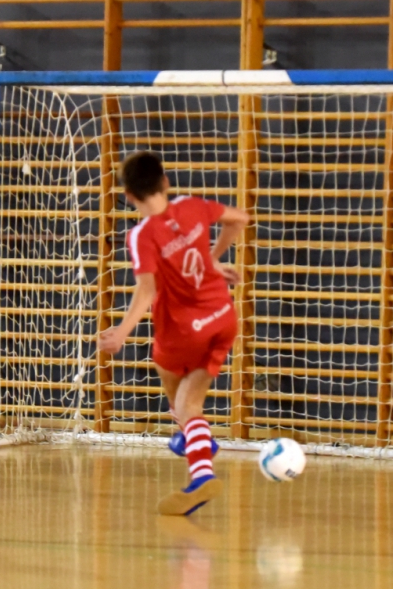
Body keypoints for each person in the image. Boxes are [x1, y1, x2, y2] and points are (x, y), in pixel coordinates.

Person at [97, 151, 249, 516]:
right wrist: (212, 257)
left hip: (183, 328)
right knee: (179, 385)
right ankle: (194, 436)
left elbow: (146, 290)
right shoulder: (192, 206)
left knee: (185, 402)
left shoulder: (142, 235)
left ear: (129, 196)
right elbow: (240, 218)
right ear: (165, 182)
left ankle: (201, 470)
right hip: (223, 317)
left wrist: (121, 332)